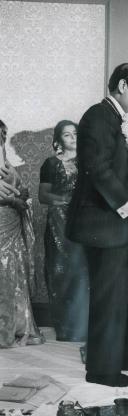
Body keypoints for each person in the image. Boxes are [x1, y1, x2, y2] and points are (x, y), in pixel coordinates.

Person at [66, 63, 128, 387]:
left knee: (123, 294)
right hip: (103, 224)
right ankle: (102, 371)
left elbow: (125, 169)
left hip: (115, 226)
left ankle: (123, 356)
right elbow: (99, 171)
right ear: (122, 85)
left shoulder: (122, 121)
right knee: (109, 297)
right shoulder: (98, 116)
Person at [39, 120, 89, 342]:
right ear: (59, 141)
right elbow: (43, 196)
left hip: (84, 221)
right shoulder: (50, 164)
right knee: (59, 271)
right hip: (58, 223)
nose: (73, 138)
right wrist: (64, 200)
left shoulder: (88, 162)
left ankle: (83, 325)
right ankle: (64, 328)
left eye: (75, 133)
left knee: (82, 270)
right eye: (67, 135)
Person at [0, 119, 44, 347]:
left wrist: (22, 196)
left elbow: (20, 188)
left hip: (12, 223)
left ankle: (18, 325)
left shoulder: (7, 164)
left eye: (2, 136)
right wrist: (14, 199)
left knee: (15, 271)